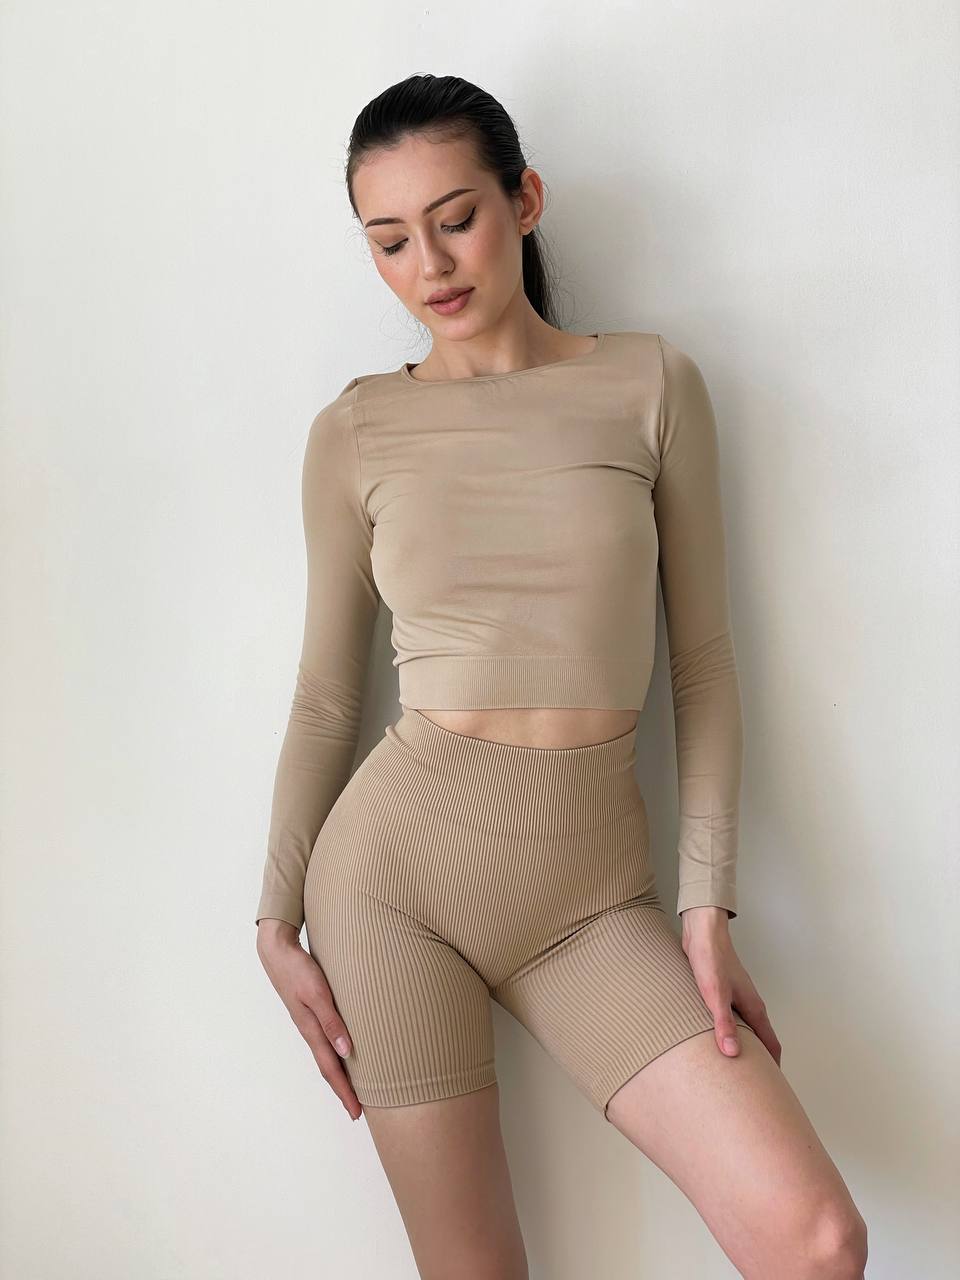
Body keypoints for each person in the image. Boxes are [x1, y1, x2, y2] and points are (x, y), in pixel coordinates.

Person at [254, 73, 868, 1280]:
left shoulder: (650, 385)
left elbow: (704, 663)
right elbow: (328, 695)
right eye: (390, 240)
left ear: (524, 200)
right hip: (393, 888)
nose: (430, 264)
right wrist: (275, 918)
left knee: (816, 1242)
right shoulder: (355, 432)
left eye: (456, 218)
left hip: (591, 900)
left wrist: (705, 905)